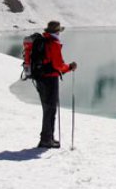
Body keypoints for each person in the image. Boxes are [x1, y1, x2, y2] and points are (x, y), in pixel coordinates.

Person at [36, 21, 77, 149]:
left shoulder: (45, 41)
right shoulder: (53, 44)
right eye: (59, 31)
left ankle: (47, 138)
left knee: (47, 108)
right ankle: (47, 140)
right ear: (57, 32)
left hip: (40, 78)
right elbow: (58, 66)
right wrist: (70, 67)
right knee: (50, 109)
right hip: (50, 79)